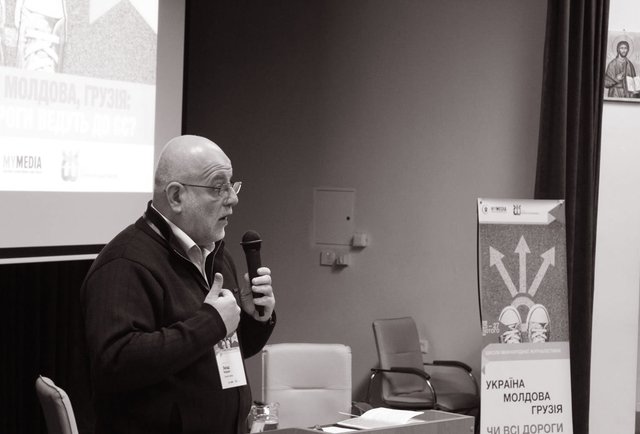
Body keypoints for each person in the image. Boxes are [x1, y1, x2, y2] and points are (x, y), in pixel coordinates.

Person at [81, 135, 276, 433]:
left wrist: (252, 320)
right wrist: (211, 322)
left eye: (232, 185)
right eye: (218, 187)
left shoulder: (215, 254)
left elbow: (217, 352)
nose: (232, 198)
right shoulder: (125, 263)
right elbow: (116, 363)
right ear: (176, 196)